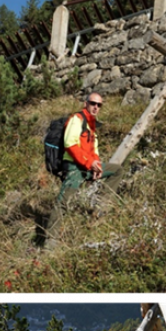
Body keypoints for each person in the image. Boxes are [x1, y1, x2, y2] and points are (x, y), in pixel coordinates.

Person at [37, 92, 122, 249]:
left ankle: (101, 208)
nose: (96, 107)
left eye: (99, 105)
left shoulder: (92, 126)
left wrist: (96, 165)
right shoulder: (77, 119)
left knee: (116, 170)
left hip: (87, 166)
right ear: (86, 103)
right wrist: (90, 164)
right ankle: (50, 244)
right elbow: (70, 144)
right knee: (63, 202)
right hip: (74, 166)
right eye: (93, 103)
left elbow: (94, 150)